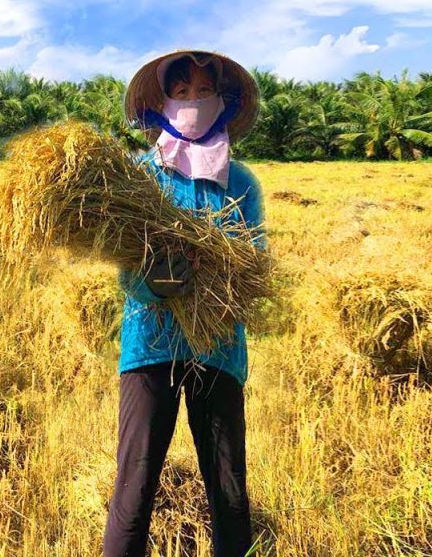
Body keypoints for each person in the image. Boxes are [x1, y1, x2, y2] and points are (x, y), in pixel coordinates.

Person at [103, 51, 265, 557]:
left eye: (202, 91)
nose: (192, 102)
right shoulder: (139, 176)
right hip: (149, 343)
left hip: (217, 347)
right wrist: (154, 284)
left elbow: (255, 265)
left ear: (222, 101)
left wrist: (219, 275)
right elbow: (124, 265)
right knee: (135, 485)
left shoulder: (241, 182)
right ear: (162, 103)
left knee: (228, 488)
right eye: (181, 92)